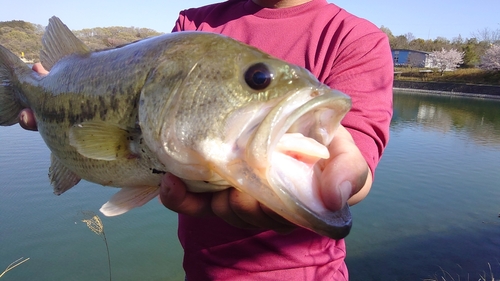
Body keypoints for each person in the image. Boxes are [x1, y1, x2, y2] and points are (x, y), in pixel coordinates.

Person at [20, 0, 393, 279]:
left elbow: (356, 159)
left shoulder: (356, 39)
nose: (260, 83)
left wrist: (339, 185)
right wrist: (51, 95)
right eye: (257, 79)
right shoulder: (195, 23)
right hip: (199, 270)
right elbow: (135, 79)